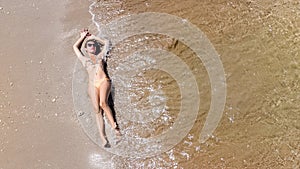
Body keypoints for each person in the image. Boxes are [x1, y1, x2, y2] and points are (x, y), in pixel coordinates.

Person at [73, 29, 121, 148]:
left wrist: (93, 37)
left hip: (104, 81)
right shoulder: (85, 60)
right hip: (93, 84)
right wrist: (83, 37)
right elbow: (75, 47)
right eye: (89, 45)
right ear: (86, 49)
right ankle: (103, 138)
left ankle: (116, 130)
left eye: (93, 44)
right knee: (97, 110)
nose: (92, 46)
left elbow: (107, 43)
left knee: (103, 103)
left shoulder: (101, 56)